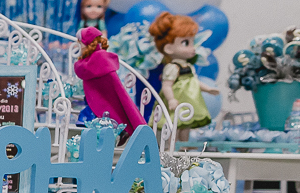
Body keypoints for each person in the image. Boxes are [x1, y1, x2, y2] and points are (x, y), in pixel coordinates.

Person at [149, 11, 219, 140]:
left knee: (186, 124)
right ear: (169, 48)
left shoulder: (188, 66)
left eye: (192, 42)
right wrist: (171, 99)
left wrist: (208, 89)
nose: (192, 48)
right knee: (173, 123)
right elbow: (166, 85)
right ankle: (172, 145)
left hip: (189, 101)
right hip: (177, 101)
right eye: (186, 43)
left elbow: (194, 81)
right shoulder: (172, 67)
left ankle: (184, 146)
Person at [73, 27, 145, 136]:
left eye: (80, 43)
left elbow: (82, 70)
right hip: (98, 102)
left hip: (99, 105)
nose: (79, 46)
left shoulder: (92, 61)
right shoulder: (99, 58)